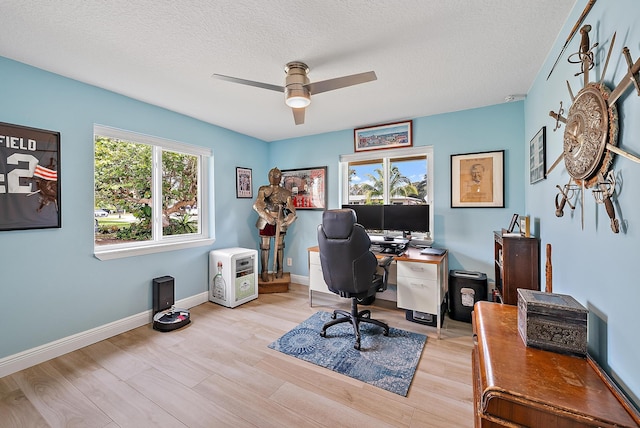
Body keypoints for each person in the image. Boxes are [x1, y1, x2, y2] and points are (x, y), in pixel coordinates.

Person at [253, 167, 297, 282]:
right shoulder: (263, 189)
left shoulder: (285, 192)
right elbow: (257, 205)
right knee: (265, 247)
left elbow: (292, 210)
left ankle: (280, 270)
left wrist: (288, 219)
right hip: (266, 219)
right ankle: (264, 272)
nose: (274, 178)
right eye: (272, 176)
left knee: (279, 247)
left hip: (280, 219)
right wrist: (267, 217)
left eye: (276, 176)